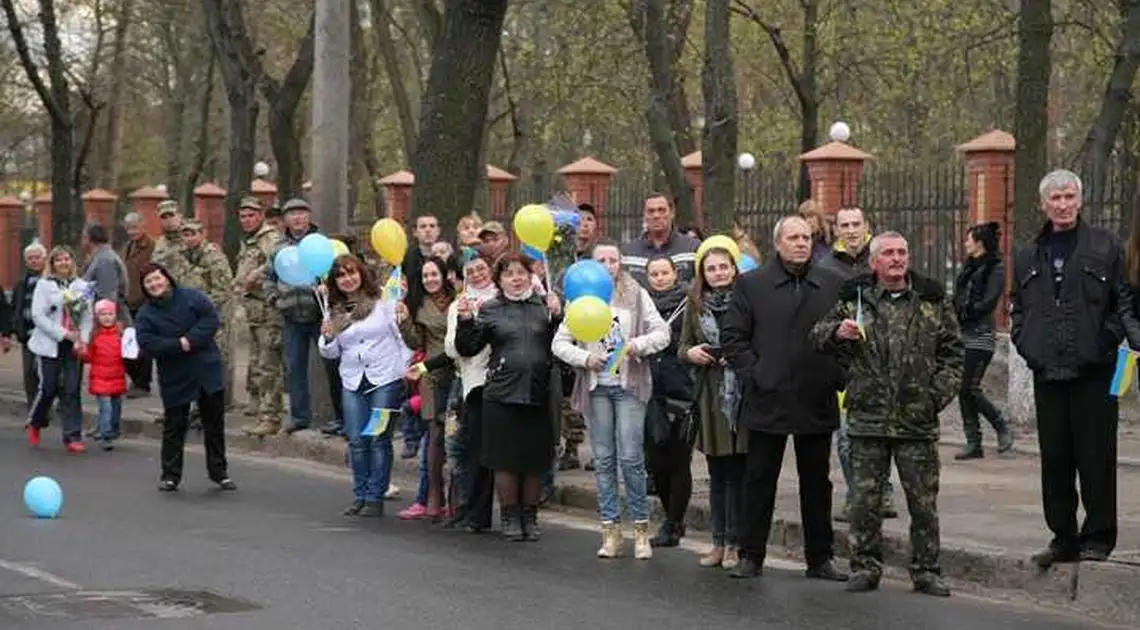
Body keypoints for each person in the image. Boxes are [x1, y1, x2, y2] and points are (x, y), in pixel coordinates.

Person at [811, 231, 963, 596]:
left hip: (916, 419)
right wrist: (838, 332)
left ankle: (926, 570)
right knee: (865, 501)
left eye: (902, 253)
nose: (897, 259)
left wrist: (933, 397)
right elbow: (816, 336)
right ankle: (865, 566)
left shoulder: (931, 299)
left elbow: (954, 353)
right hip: (868, 417)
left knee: (923, 502)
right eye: (889, 254)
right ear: (875, 261)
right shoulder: (856, 297)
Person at [1014, 169, 1140, 567]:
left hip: (1094, 371)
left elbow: (1123, 304)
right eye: (1055, 199)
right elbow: (1019, 309)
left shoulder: (1105, 246)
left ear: (1080, 200)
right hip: (1047, 371)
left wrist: (1104, 342)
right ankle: (1062, 536)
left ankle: (1098, 537)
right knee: (1055, 458)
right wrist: (1026, 343)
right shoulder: (1028, 253)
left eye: (1069, 197)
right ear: (1044, 204)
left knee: (1095, 457)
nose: (1063, 205)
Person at [722, 216, 847, 581]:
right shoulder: (752, 284)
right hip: (767, 397)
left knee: (816, 482)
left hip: (816, 396)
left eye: (806, 237)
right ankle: (751, 555)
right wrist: (756, 374)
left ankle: (820, 558)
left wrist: (837, 377)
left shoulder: (831, 283)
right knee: (759, 478)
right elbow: (733, 338)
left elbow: (846, 336)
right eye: (793, 237)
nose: (801, 243)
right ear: (778, 243)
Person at [553, 241, 670, 560]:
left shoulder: (636, 294)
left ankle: (641, 530)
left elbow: (663, 333)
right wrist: (584, 359)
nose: (608, 265)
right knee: (603, 459)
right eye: (601, 260)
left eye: (613, 259)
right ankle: (610, 530)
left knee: (631, 458)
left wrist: (636, 345)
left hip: (629, 387)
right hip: (597, 388)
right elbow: (559, 344)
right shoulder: (580, 297)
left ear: (621, 263)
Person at [455, 252, 562, 541]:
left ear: (531, 276)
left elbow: (561, 344)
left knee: (534, 460)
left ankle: (530, 515)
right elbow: (468, 348)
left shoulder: (543, 305)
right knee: (505, 460)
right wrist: (466, 320)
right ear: (499, 280)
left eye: (521, 273)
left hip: (538, 392)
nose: (516, 278)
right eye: (509, 274)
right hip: (501, 393)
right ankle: (510, 516)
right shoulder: (490, 308)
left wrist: (558, 316)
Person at [319, 255, 411, 517]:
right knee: (357, 440)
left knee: (378, 437)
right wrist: (327, 336)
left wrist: (403, 369)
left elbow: (400, 336)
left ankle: (375, 496)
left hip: (384, 380)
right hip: (353, 381)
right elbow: (330, 353)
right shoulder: (334, 309)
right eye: (341, 276)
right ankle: (360, 494)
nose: (348, 279)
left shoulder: (382, 301)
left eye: (352, 273)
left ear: (361, 274)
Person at [134, 263, 235, 492]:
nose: (154, 284)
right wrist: (178, 344)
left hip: (205, 367)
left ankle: (220, 473)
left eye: (157, 279)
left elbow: (210, 319)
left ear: (167, 278)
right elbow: (148, 342)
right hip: (174, 373)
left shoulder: (192, 297)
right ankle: (170, 475)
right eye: (149, 282)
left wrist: (191, 340)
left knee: (214, 424)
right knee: (174, 425)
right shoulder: (146, 314)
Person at [824, 207, 897, 521]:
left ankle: (884, 492)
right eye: (845, 225)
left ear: (867, 226)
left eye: (856, 224)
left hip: (882, 362)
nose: (851, 230)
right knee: (846, 438)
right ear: (836, 229)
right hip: (846, 365)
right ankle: (857, 495)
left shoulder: (884, 256)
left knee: (883, 434)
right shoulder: (826, 266)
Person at [678, 246, 748, 570]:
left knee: (737, 474)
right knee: (716, 473)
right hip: (710, 394)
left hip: (741, 394)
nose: (719, 273)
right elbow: (681, 345)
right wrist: (692, 353)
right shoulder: (696, 305)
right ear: (702, 275)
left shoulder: (748, 300)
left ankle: (736, 543)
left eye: (724, 267)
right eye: (712, 269)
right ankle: (718, 541)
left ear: (734, 269)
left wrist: (739, 355)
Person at [263, 198, 343, 434]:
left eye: (301, 213)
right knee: (295, 368)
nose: (297, 218)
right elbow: (269, 277)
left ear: (309, 216)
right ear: (285, 220)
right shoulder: (278, 248)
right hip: (290, 316)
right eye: (292, 214)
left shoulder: (322, 244)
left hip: (320, 315)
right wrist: (275, 300)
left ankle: (341, 417)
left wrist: (329, 294)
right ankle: (299, 417)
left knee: (334, 367)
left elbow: (337, 273)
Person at [397, 256, 456, 522]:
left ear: (444, 275)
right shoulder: (418, 305)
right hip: (430, 374)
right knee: (434, 434)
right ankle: (434, 496)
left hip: (458, 370)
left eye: (434, 274)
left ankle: (457, 497)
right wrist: (404, 322)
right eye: (425, 276)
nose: (430, 280)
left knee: (455, 435)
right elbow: (414, 342)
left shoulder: (458, 300)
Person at [444, 253, 499, 532]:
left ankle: (481, 513)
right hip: (471, 383)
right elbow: (452, 349)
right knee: (468, 450)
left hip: (499, 380)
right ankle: (467, 508)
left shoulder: (501, 299)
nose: (477, 274)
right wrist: (467, 319)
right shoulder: (459, 304)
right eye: (471, 271)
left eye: (481, 268)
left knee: (487, 451)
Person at [643, 256, 694, 548]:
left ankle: (674, 522)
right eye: (654, 274)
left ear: (675, 274)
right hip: (650, 391)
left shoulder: (687, 305)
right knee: (656, 461)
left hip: (680, 390)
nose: (660, 278)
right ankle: (670, 515)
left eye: (665, 272)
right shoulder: (642, 306)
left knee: (679, 460)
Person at [953, 222, 1014, 460]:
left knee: (969, 386)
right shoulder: (967, 268)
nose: (965, 243)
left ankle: (1001, 426)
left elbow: (989, 301)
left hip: (981, 335)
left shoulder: (995, 268)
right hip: (963, 333)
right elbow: (958, 296)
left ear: (979, 242)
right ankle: (973, 442)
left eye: (968, 239)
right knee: (963, 389)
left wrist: (968, 312)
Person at [26, 246, 93, 453]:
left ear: (73, 262)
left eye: (67, 259)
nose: (64, 263)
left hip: (73, 346)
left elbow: (87, 316)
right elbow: (38, 316)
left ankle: (72, 435)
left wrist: (83, 339)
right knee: (48, 388)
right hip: (49, 344)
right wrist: (63, 333)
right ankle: (36, 421)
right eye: (59, 260)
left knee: (72, 389)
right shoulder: (44, 286)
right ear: (52, 263)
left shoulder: (83, 286)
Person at [233, 196, 285, 436]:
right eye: (242, 216)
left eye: (251, 215)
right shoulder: (250, 241)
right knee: (258, 363)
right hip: (253, 311)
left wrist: (255, 274)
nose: (246, 220)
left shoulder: (270, 239)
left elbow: (279, 260)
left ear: (261, 215)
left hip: (268, 311)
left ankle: (271, 416)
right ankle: (262, 409)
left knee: (269, 365)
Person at [621, 193, 700, 288]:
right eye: (651, 211)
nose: (656, 215)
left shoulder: (692, 249)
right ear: (644, 215)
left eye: (661, 210)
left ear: (672, 213)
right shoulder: (628, 253)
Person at [79, 299, 127, 451]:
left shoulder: (121, 334)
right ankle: (106, 436)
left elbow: (129, 354)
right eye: (103, 314)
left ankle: (110, 429)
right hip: (100, 378)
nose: (107, 317)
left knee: (116, 408)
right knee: (106, 408)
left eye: (110, 313)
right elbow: (88, 358)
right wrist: (81, 351)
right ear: (97, 317)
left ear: (115, 315)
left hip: (117, 377)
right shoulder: (94, 335)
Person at [120, 213, 156, 397]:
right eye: (129, 228)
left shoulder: (152, 247)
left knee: (142, 345)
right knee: (127, 343)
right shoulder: (127, 247)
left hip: (145, 302)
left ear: (144, 226)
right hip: (128, 303)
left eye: (135, 227)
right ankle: (135, 379)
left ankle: (142, 383)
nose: (132, 231)